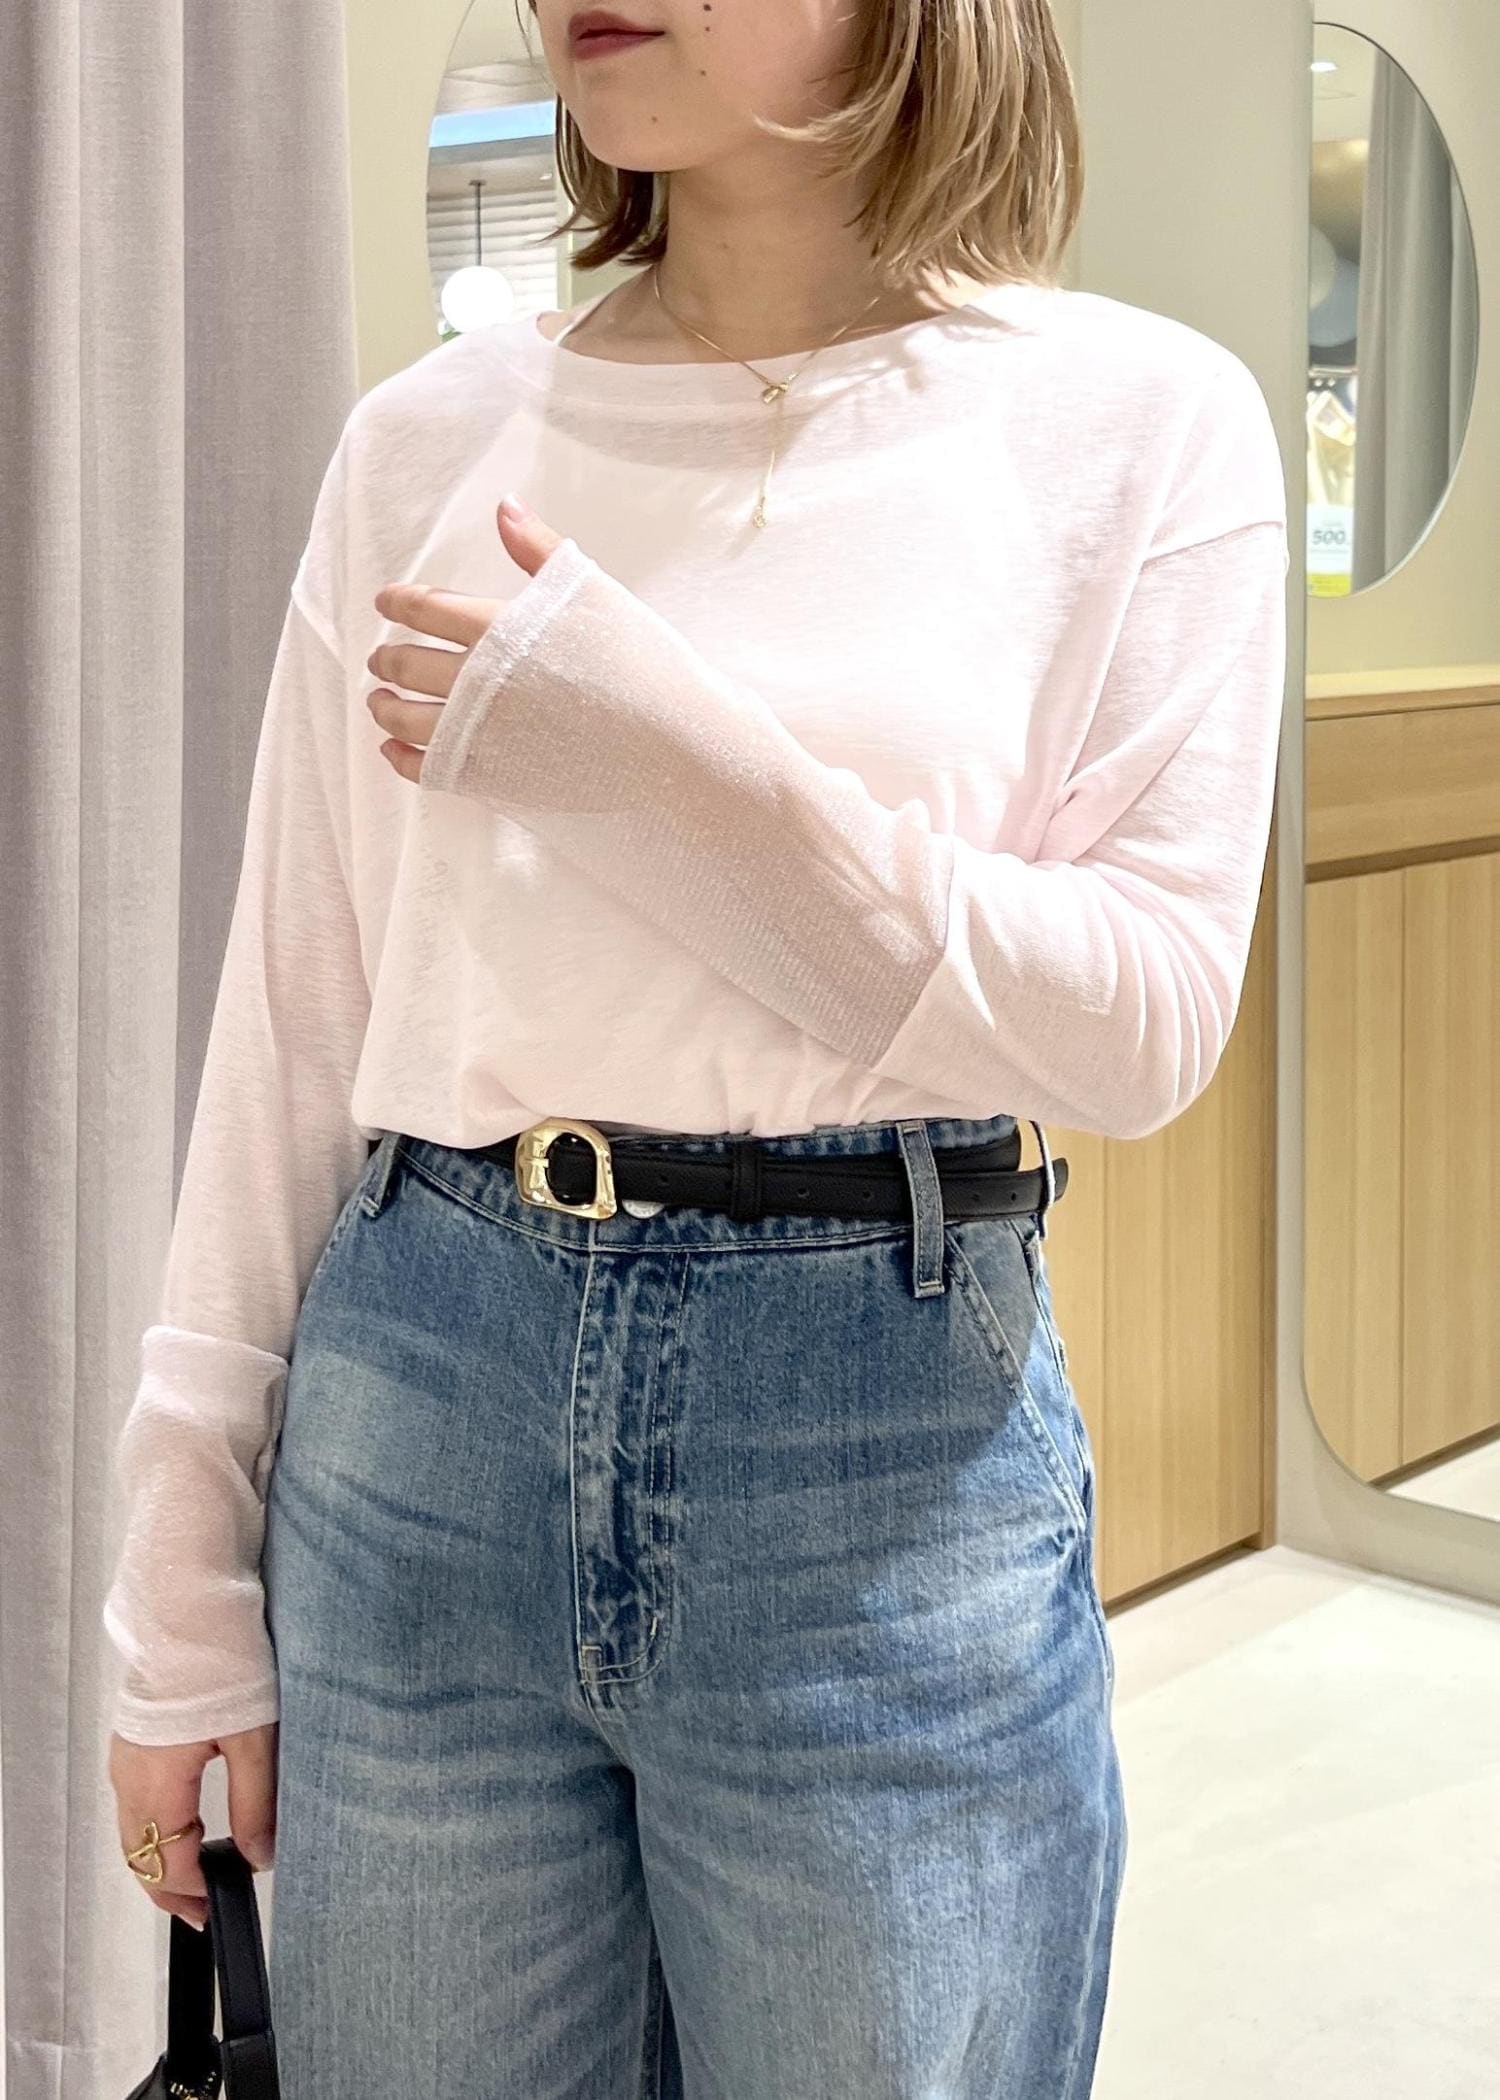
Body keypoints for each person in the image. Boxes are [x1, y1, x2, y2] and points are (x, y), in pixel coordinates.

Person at [103, 0, 1289, 2092]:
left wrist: (669, 766)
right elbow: (295, 1021)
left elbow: (1144, 1025)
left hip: (881, 1455)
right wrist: (179, 1563)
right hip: (415, 1414)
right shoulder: (427, 441)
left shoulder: (1136, 423)